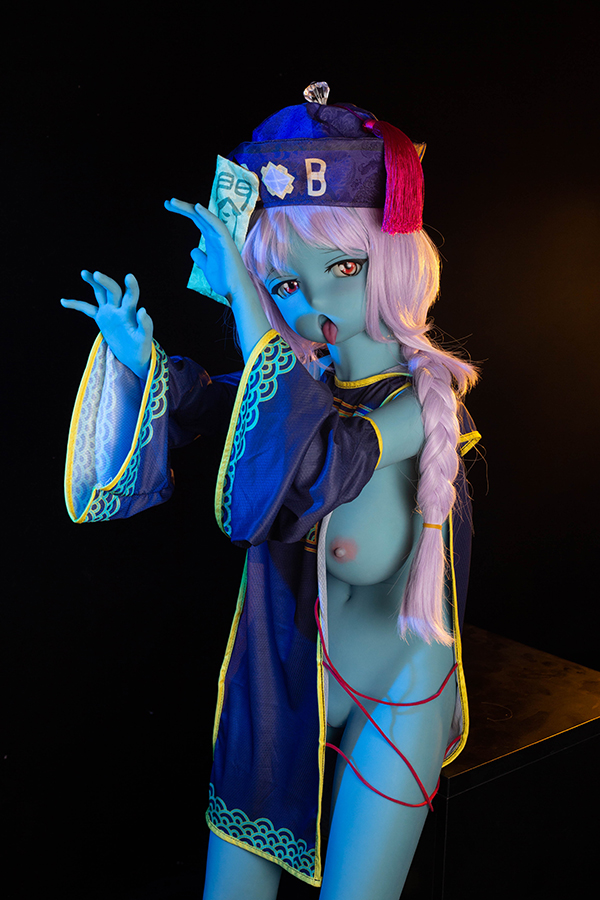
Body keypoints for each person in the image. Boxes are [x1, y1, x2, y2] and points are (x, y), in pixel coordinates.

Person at [61, 84, 480, 899]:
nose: (316, 302)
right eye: (287, 285)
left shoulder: (419, 405)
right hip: (283, 680)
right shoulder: (299, 387)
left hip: (400, 693)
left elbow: (325, 458)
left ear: (393, 258)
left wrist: (257, 309)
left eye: (344, 268)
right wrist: (143, 362)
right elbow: (223, 408)